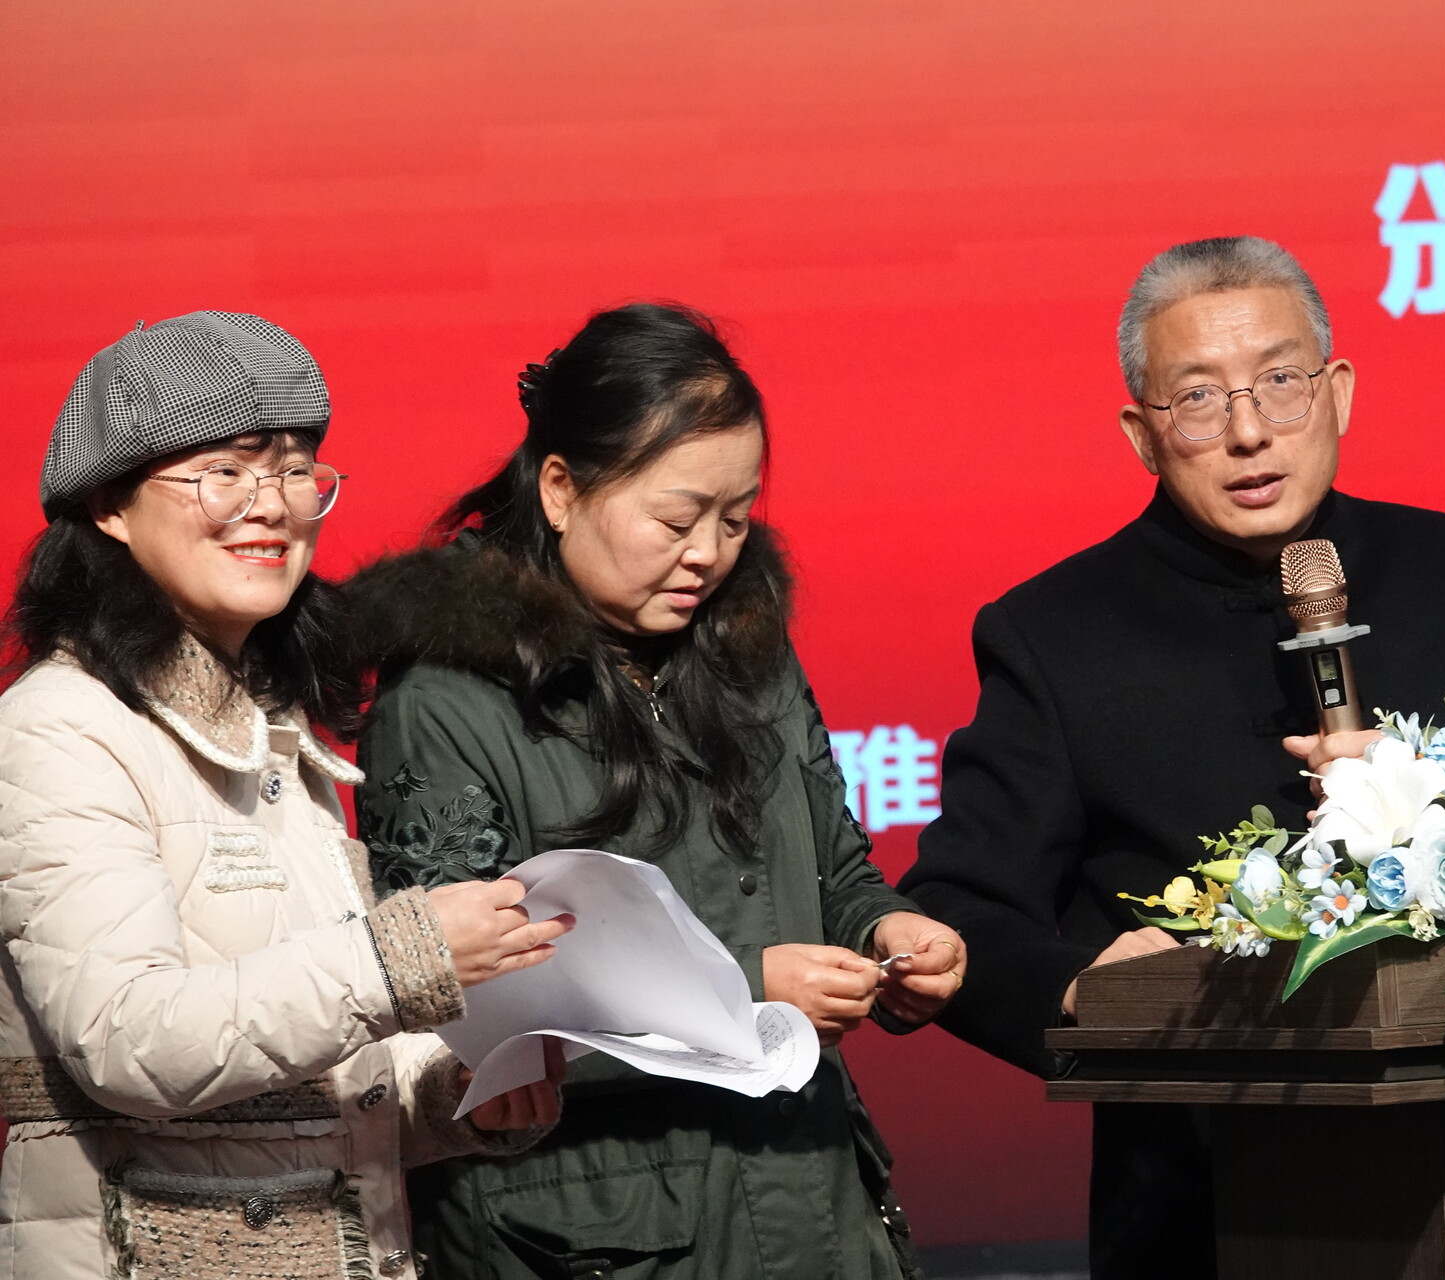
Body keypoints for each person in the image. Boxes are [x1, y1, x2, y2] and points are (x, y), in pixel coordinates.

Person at [899, 237, 1445, 1279]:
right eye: (1199, 400)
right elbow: (958, 907)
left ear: (1338, 393)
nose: (1250, 432)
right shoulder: (1056, 634)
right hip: (1202, 1198)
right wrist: (1082, 986)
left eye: (1280, 382)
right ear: (1142, 435)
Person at [349, 302, 966, 1280]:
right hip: (592, 1230)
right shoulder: (445, 698)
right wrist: (744, 992)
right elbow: (460, 1016)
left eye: (736, 518)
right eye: (677, 520)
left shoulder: (747, 651)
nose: (710, 553)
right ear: (560, 489)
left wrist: (888, 931)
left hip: (812, 1200)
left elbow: (833, 869)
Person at [0, 312, 571, 1280]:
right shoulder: (58, 725)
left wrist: (456, 1093)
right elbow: (129, 1039)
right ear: (108, 505)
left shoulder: (274, 726)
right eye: (224, 471)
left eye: (296, 470)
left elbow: (303, 1078)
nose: (269, 505)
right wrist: (404, 957)